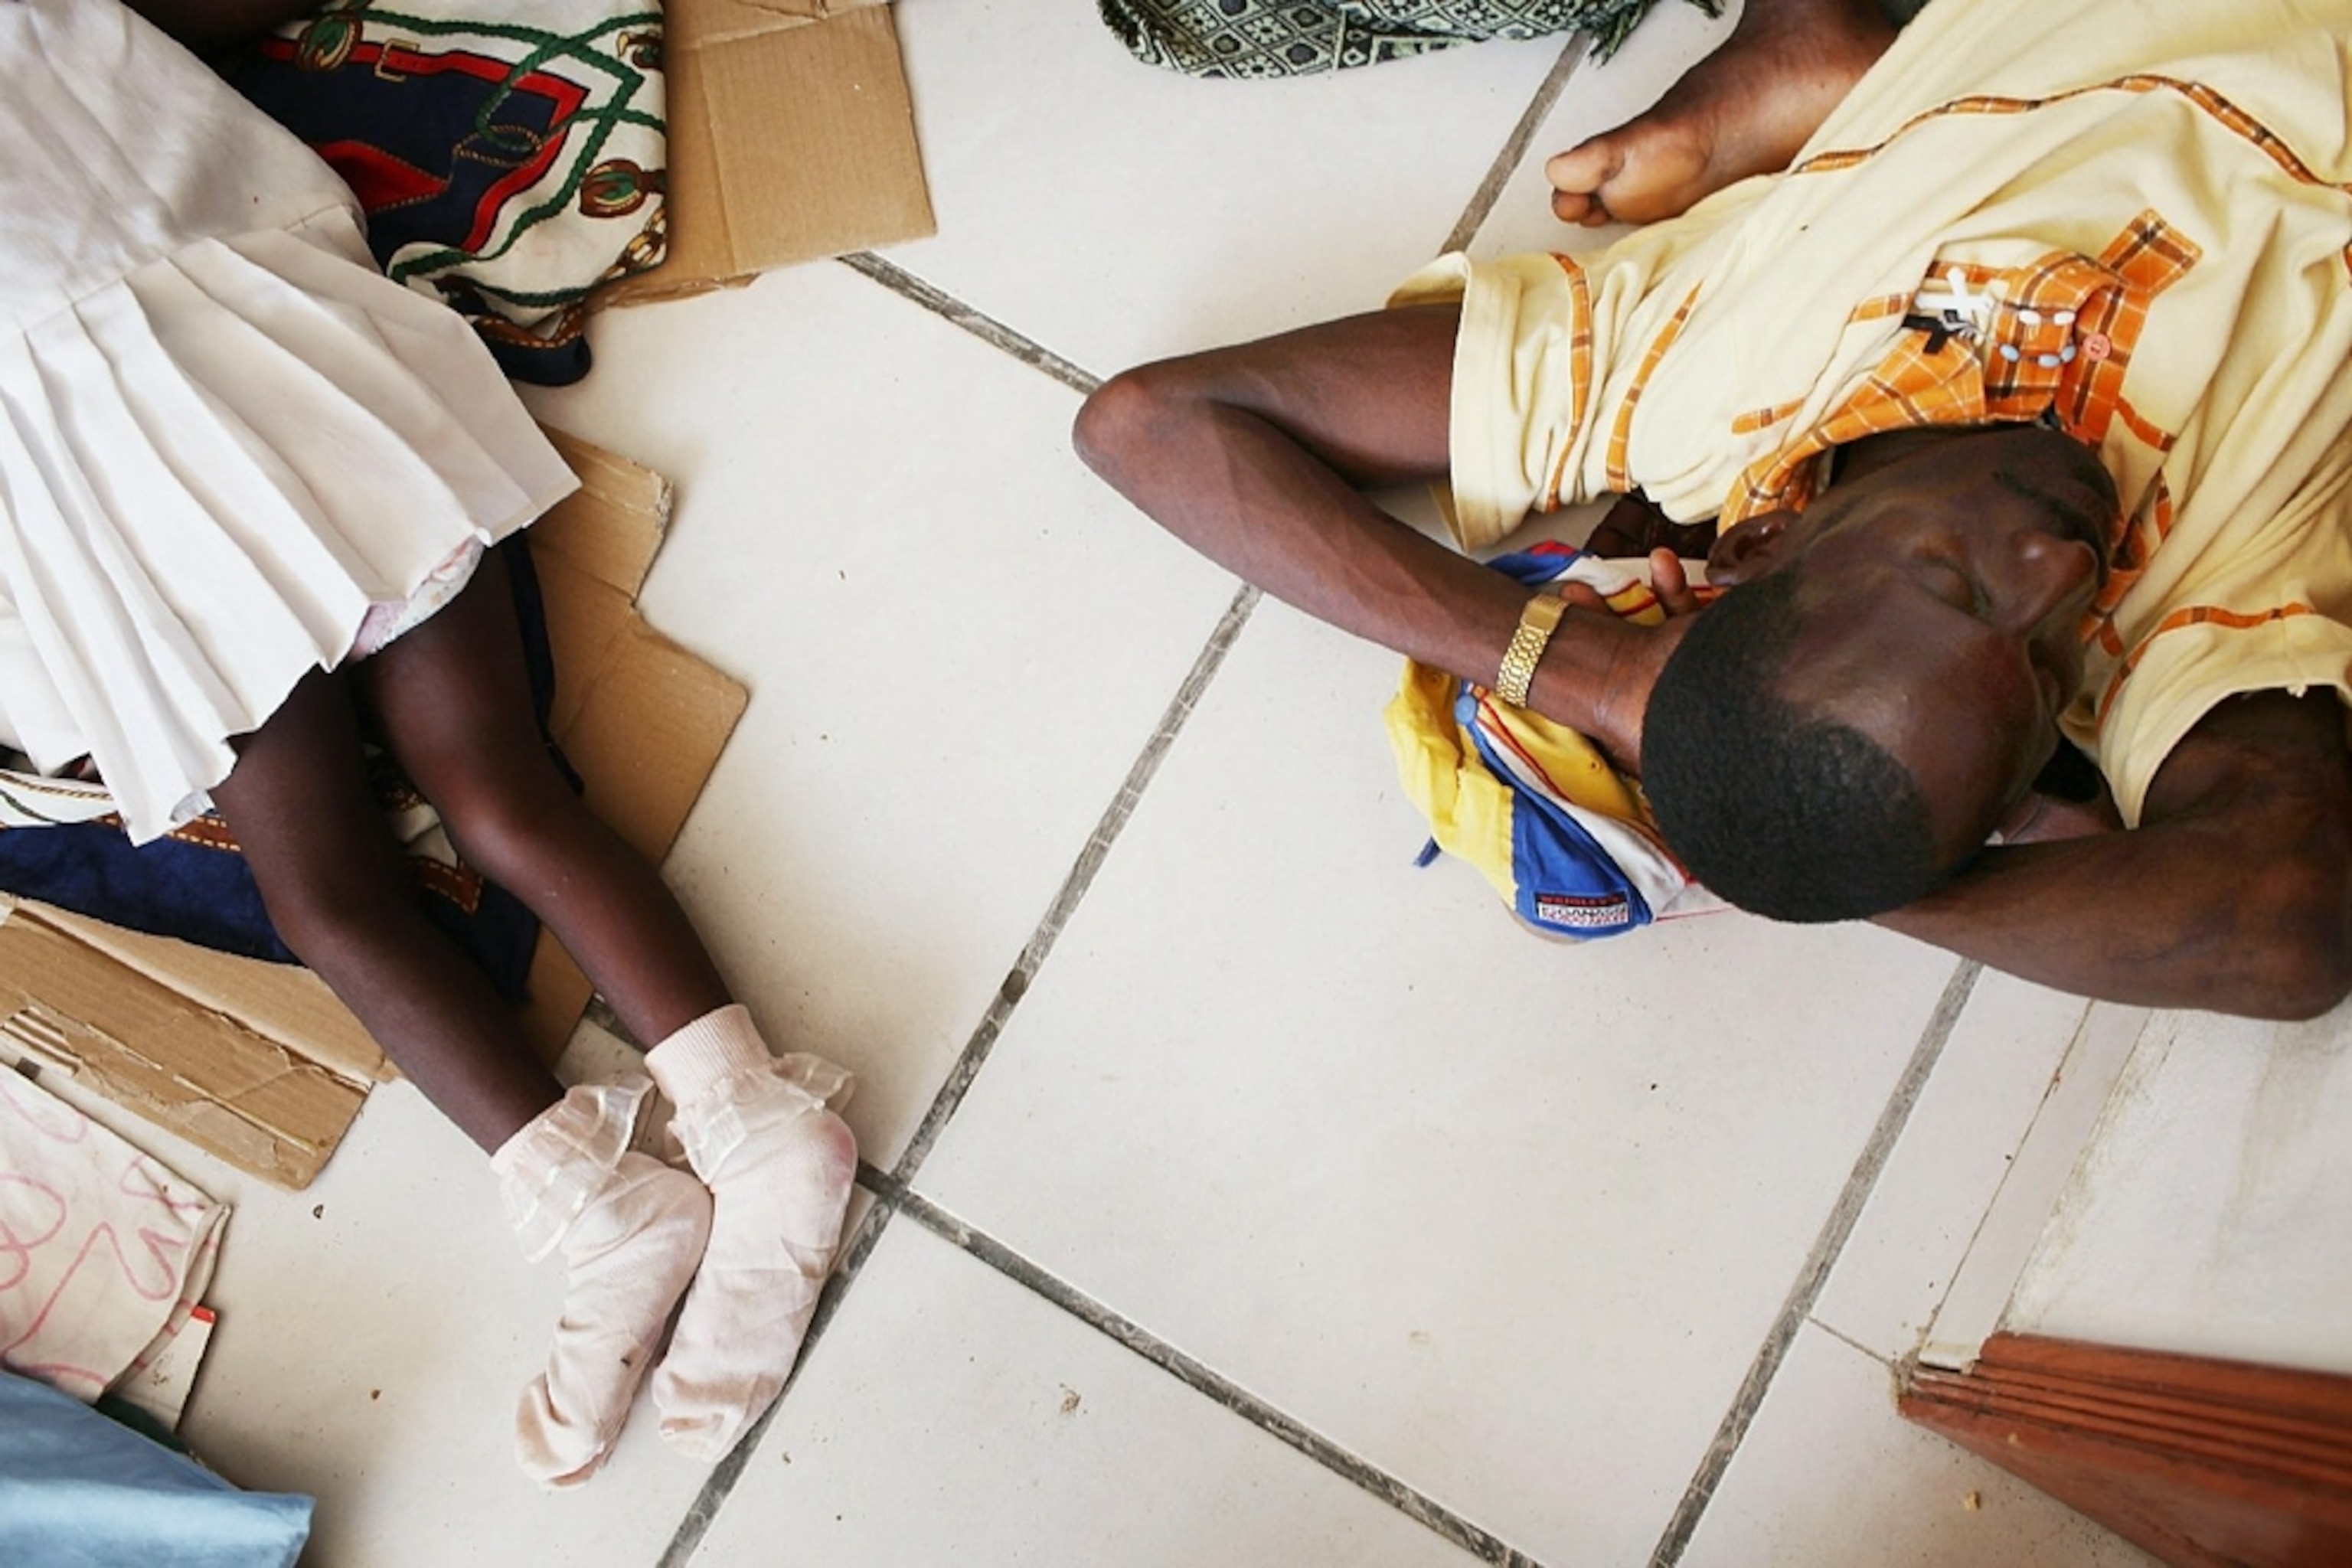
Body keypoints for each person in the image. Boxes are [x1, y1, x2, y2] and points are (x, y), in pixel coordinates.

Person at [1075, 0, 2352, 1021]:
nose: (2058, 567)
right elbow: (2287, 929)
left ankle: (1804, 34)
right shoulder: (2189, 613)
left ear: (1760, 541)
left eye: (1956, 585)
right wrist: (1846, 880)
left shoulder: (1707, 384)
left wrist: (1594, 672)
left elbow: (1152, 427)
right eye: (2041, 659)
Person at [1, 0, 857, 1485]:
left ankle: (759, 1127)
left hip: (253, 365)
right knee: (325, 889)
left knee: (495, 789)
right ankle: (607, 1213)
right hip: (107, 487)